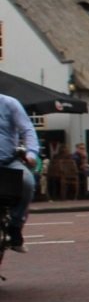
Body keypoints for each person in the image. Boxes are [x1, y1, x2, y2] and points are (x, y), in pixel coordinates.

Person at [0, 93, 39, 252]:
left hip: (8, 161)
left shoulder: (9, 103)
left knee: (27, 182)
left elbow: (27, 129)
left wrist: (31, 154)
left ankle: (15, 226)